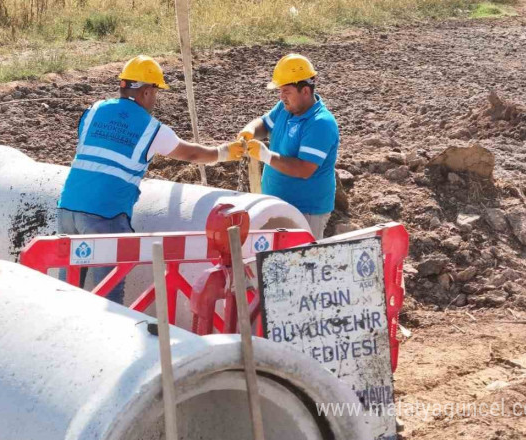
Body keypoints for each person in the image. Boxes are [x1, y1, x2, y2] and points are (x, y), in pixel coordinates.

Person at [57, 55, 245, 304]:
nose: (156, 98)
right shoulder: (150, 127)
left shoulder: (94, 111)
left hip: (67, 207)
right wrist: (224, 152)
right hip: (105, 215)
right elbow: (190, 153)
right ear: (145, 91)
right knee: (108, 297)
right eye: (156, 91)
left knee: (66, 288)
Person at [236, 54, 340, 240]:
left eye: (287, 91)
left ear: (305, 91)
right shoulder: (285, 109)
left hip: (307, 212)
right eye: (280, 90)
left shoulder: (320, 123)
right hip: (276, 205)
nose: (281, 96)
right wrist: (250, 130)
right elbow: (265, 124)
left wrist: (266, 156)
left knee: (303, 263)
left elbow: (304, 169)